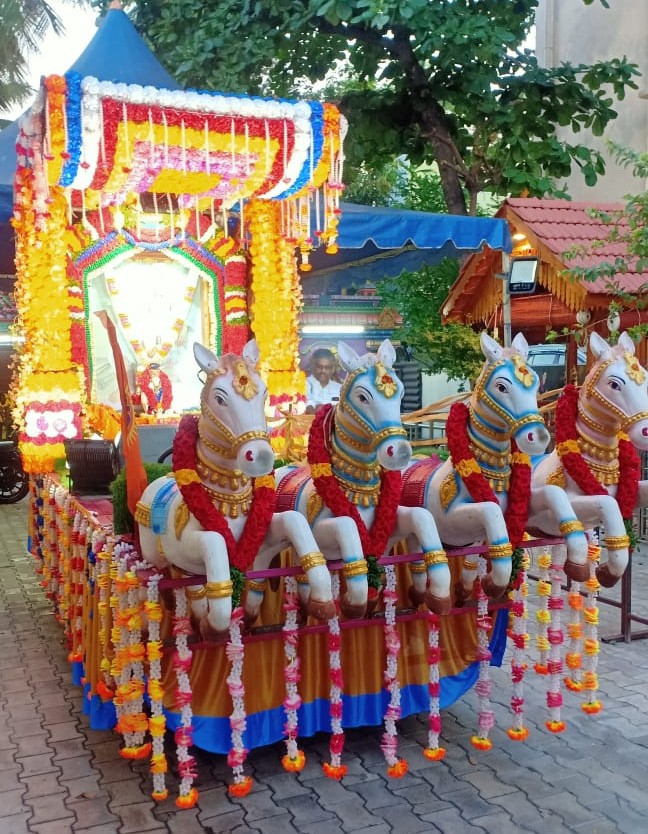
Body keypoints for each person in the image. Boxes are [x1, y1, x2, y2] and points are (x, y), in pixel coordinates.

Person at [305, 348, 341, 414]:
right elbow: (307, 408)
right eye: (319, 367)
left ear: (332, 369)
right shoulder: (303, 384)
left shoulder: (339, 388)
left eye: (327, 367)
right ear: (313, 366)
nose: (323, 371)